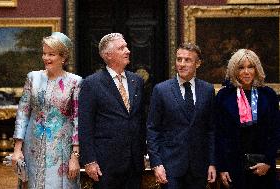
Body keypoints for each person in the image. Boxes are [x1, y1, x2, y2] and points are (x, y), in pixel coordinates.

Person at [12, 32, 82, 189]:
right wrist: (17, 150)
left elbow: (78, 119)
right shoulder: (33, 78)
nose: (46, 58)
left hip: (61, 149)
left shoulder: (75, 82)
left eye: (51, 54)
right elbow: (23, 113)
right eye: (44, 53)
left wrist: (75, 156)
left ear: (63, 57)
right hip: (32, 146)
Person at [78, 33, 145, 189]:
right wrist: (89, 160)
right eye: (122, 48)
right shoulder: (92, 84)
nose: (127, 51)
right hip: (105, 163)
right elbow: (85, 125)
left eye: (126, 46)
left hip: (134, 162)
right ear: (107, 55)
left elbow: (141, 119)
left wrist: (143, 152)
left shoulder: (137, 81)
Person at [147, 42, 216, 189]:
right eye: (179, 59)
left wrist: (212, 162)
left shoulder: (208, 90)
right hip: (170, 166)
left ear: (198, 63)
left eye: (187, 60)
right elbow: (153, 129)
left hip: (199, 167)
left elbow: (211, 130)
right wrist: (156, 163)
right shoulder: (161, 90)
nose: (182, 64)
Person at [215, 49, 280, 189]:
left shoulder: (268, 95)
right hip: (233, 168)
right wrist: (222, 167)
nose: (246, 72)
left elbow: (276, 131)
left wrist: (268, 161)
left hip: (263, 167)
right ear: (234, 70)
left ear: (256, 69)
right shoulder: (224, 95)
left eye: (250, 66)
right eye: (241, 67)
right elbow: (219, 135)